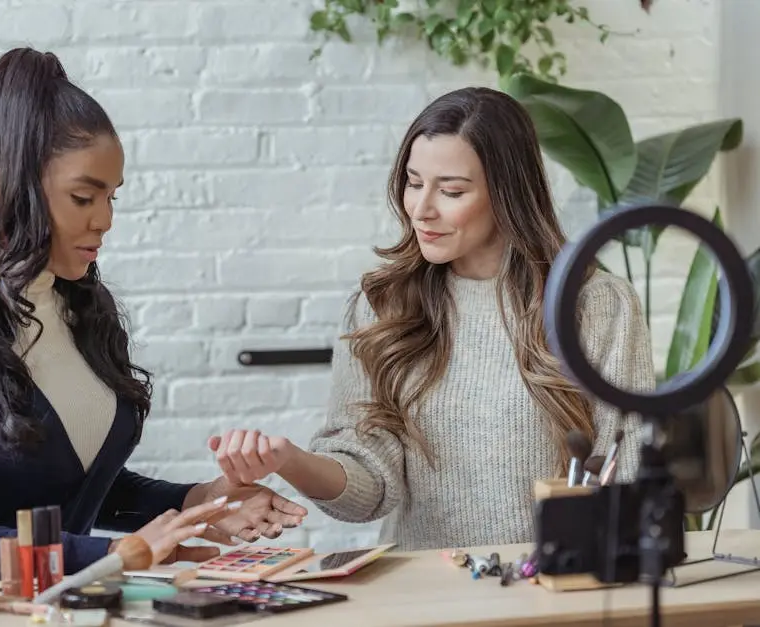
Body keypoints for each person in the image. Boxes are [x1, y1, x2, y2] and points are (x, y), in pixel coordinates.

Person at [0, 47, 306, 614]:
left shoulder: (82, 309)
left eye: (111, 196)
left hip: (43, 605)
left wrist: (205, 500)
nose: (105, 219)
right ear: (4, 187)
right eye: (83, 196)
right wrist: (124, 552)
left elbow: (76, 483)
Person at [208, 87, 655, 552]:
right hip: (426, 596)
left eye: (452, 190)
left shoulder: (596, 305)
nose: (421, 209)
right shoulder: (382, 304)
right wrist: (289, 460)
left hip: (557, 595)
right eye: (414, 182)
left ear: (507, 193)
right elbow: (372, 491)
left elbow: (628, 473)